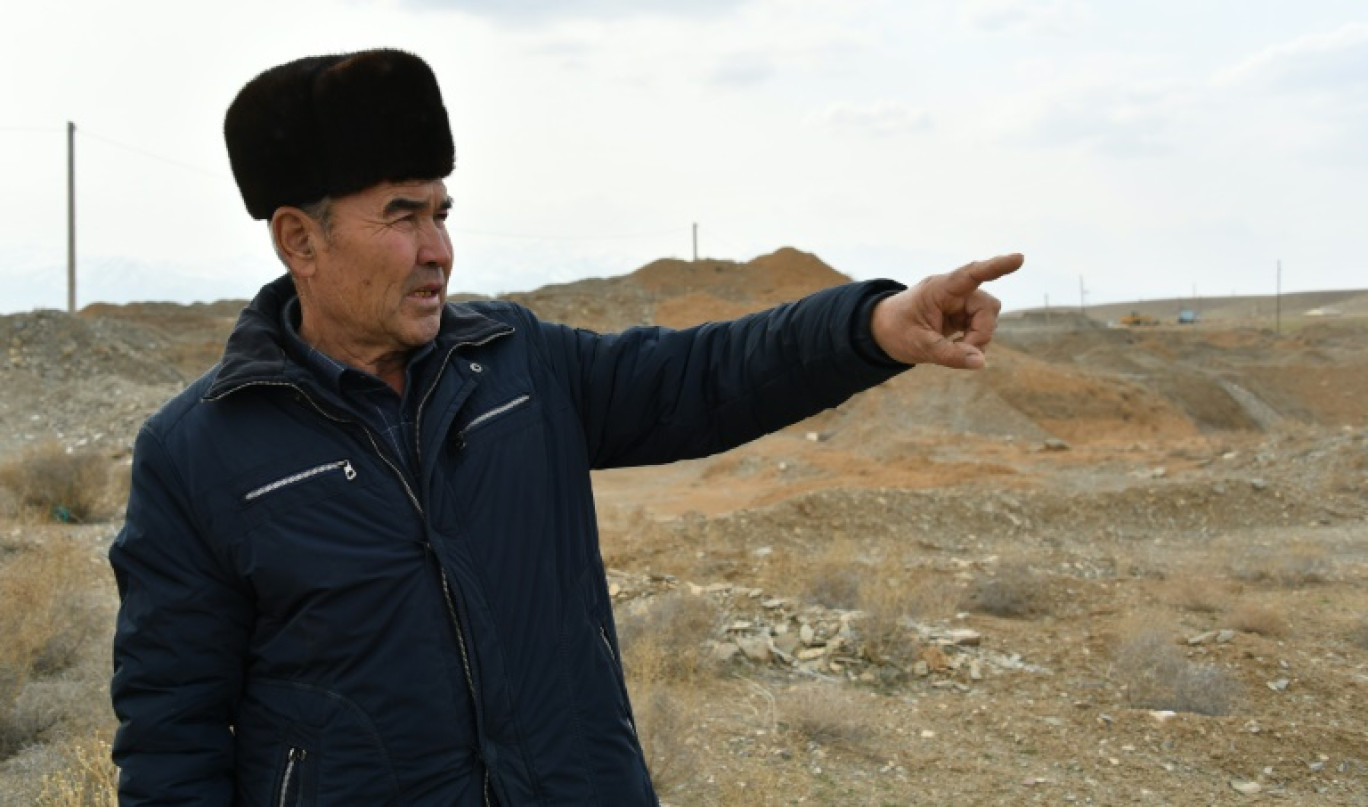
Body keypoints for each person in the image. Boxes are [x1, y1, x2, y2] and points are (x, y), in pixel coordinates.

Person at [109, 48, 1022, 806]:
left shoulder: (518, 366)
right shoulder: (200, 453)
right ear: (298, 241)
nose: (438, 250)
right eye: (401, 217)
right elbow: (170, 736)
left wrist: (867, 329)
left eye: (441, 213)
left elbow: (706, 375)